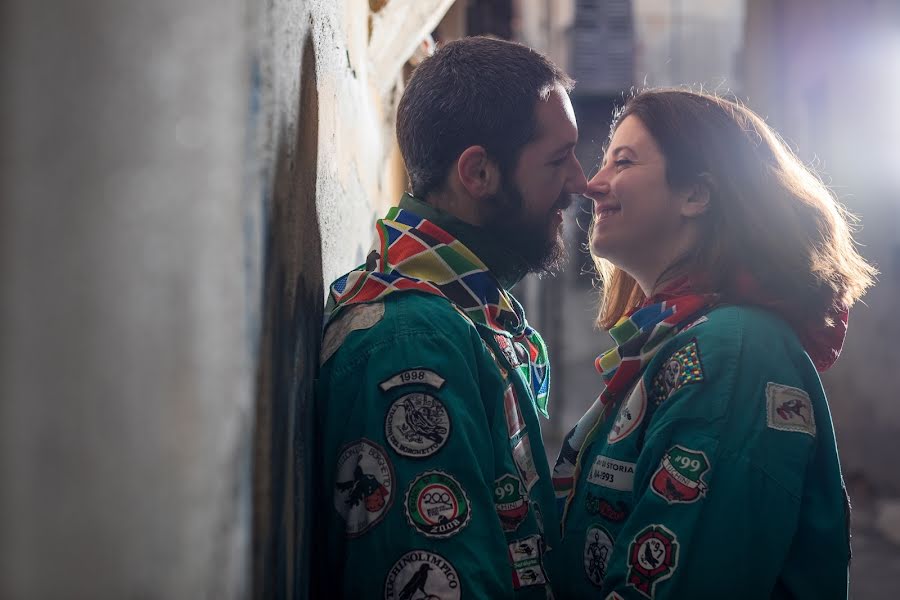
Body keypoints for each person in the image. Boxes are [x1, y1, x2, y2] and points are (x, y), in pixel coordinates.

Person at [551, 89, 876, 599]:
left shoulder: (734, 352)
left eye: (624, 161)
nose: (592, 184)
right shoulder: (689, 339)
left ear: (695, 196)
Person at [311, 36, 587, 599]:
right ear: (478, 173)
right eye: (558, 160)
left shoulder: (474, 312)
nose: (580, 182)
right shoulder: (411, 342)